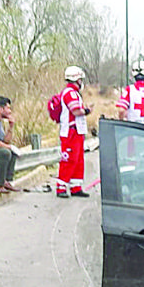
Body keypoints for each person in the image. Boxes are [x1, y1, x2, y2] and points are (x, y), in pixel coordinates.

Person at [57, 65, 92, 198]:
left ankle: (75, 187)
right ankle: (61, 187)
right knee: (69, 159)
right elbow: (76, 111)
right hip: (70, 132)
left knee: (78, 160)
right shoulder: (70, 93)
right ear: (77, 79)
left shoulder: (74, 93)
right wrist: (87, 111)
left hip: (77, 131)